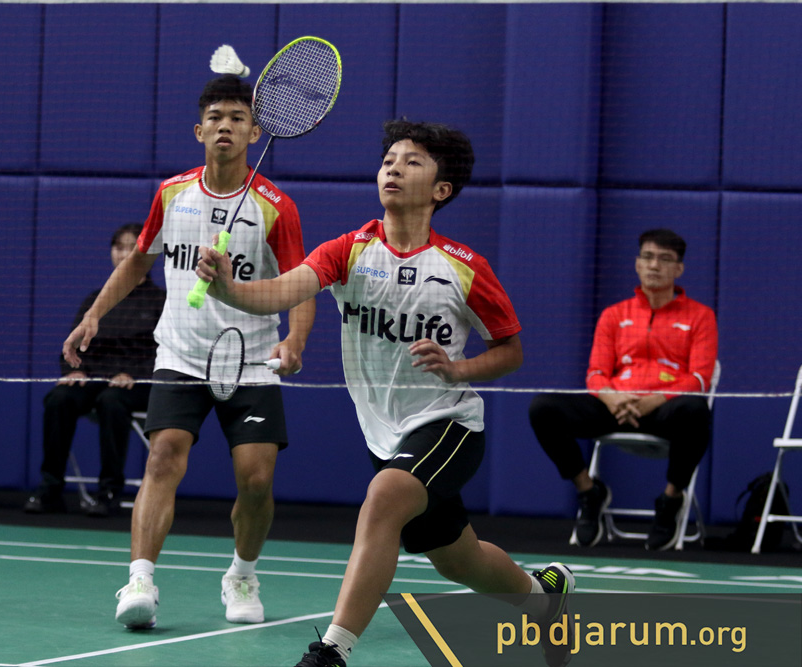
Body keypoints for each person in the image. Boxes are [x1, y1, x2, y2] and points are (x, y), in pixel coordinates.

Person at [195, 119, 574, 667]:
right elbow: (279, 292)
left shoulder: (464, 268)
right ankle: (542, 597)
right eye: (388, 160)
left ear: (441, 189)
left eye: (411, 162)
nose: (393, 169)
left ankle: (332, 651)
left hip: (449, 424)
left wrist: (459, 369)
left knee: (383, 497)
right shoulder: (348, 251)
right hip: (385, 433)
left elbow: (510, 350)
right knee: (458, 559)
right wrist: (229, 287)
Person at [63, 74, 315, 629]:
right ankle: (140, 580)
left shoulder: (276, 207)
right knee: (162, 457)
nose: (226, 126)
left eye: (238, 118)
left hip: (251, 359)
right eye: (215, 118)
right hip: (180, 354)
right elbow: (139, 260)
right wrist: (94, 314)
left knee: (256, 479)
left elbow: (301, 282)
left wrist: (294, 340)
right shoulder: (172, 193)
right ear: (199, 131)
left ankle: (242, 573)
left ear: (254, 132)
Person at [529, 228, 718, 551]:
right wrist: (612, 398)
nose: (654, 265)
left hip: (664, 411)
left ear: (679, 269)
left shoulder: (701, 316)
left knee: (697, 410)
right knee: (543, 408)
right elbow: (596, 373)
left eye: (665, 259)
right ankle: (589, 491)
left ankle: (671, 500)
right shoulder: (614, 315)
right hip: (615, 407)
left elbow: (700, 379)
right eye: (648, 257)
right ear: (637, 263)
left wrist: (654, 400)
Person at [25, 223, 165, 518]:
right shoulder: (97, 300)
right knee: (58, 399)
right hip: (93, 378)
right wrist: (73, 370)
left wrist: (134, 375)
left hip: (138, 383)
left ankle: (109, 492)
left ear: (147, 253)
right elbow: (75, 341)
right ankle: (50, 489)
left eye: (131, 247)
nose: (123, 254)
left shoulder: (160, 301)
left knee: (111, 402)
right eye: (118, 247)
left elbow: (165, 351)